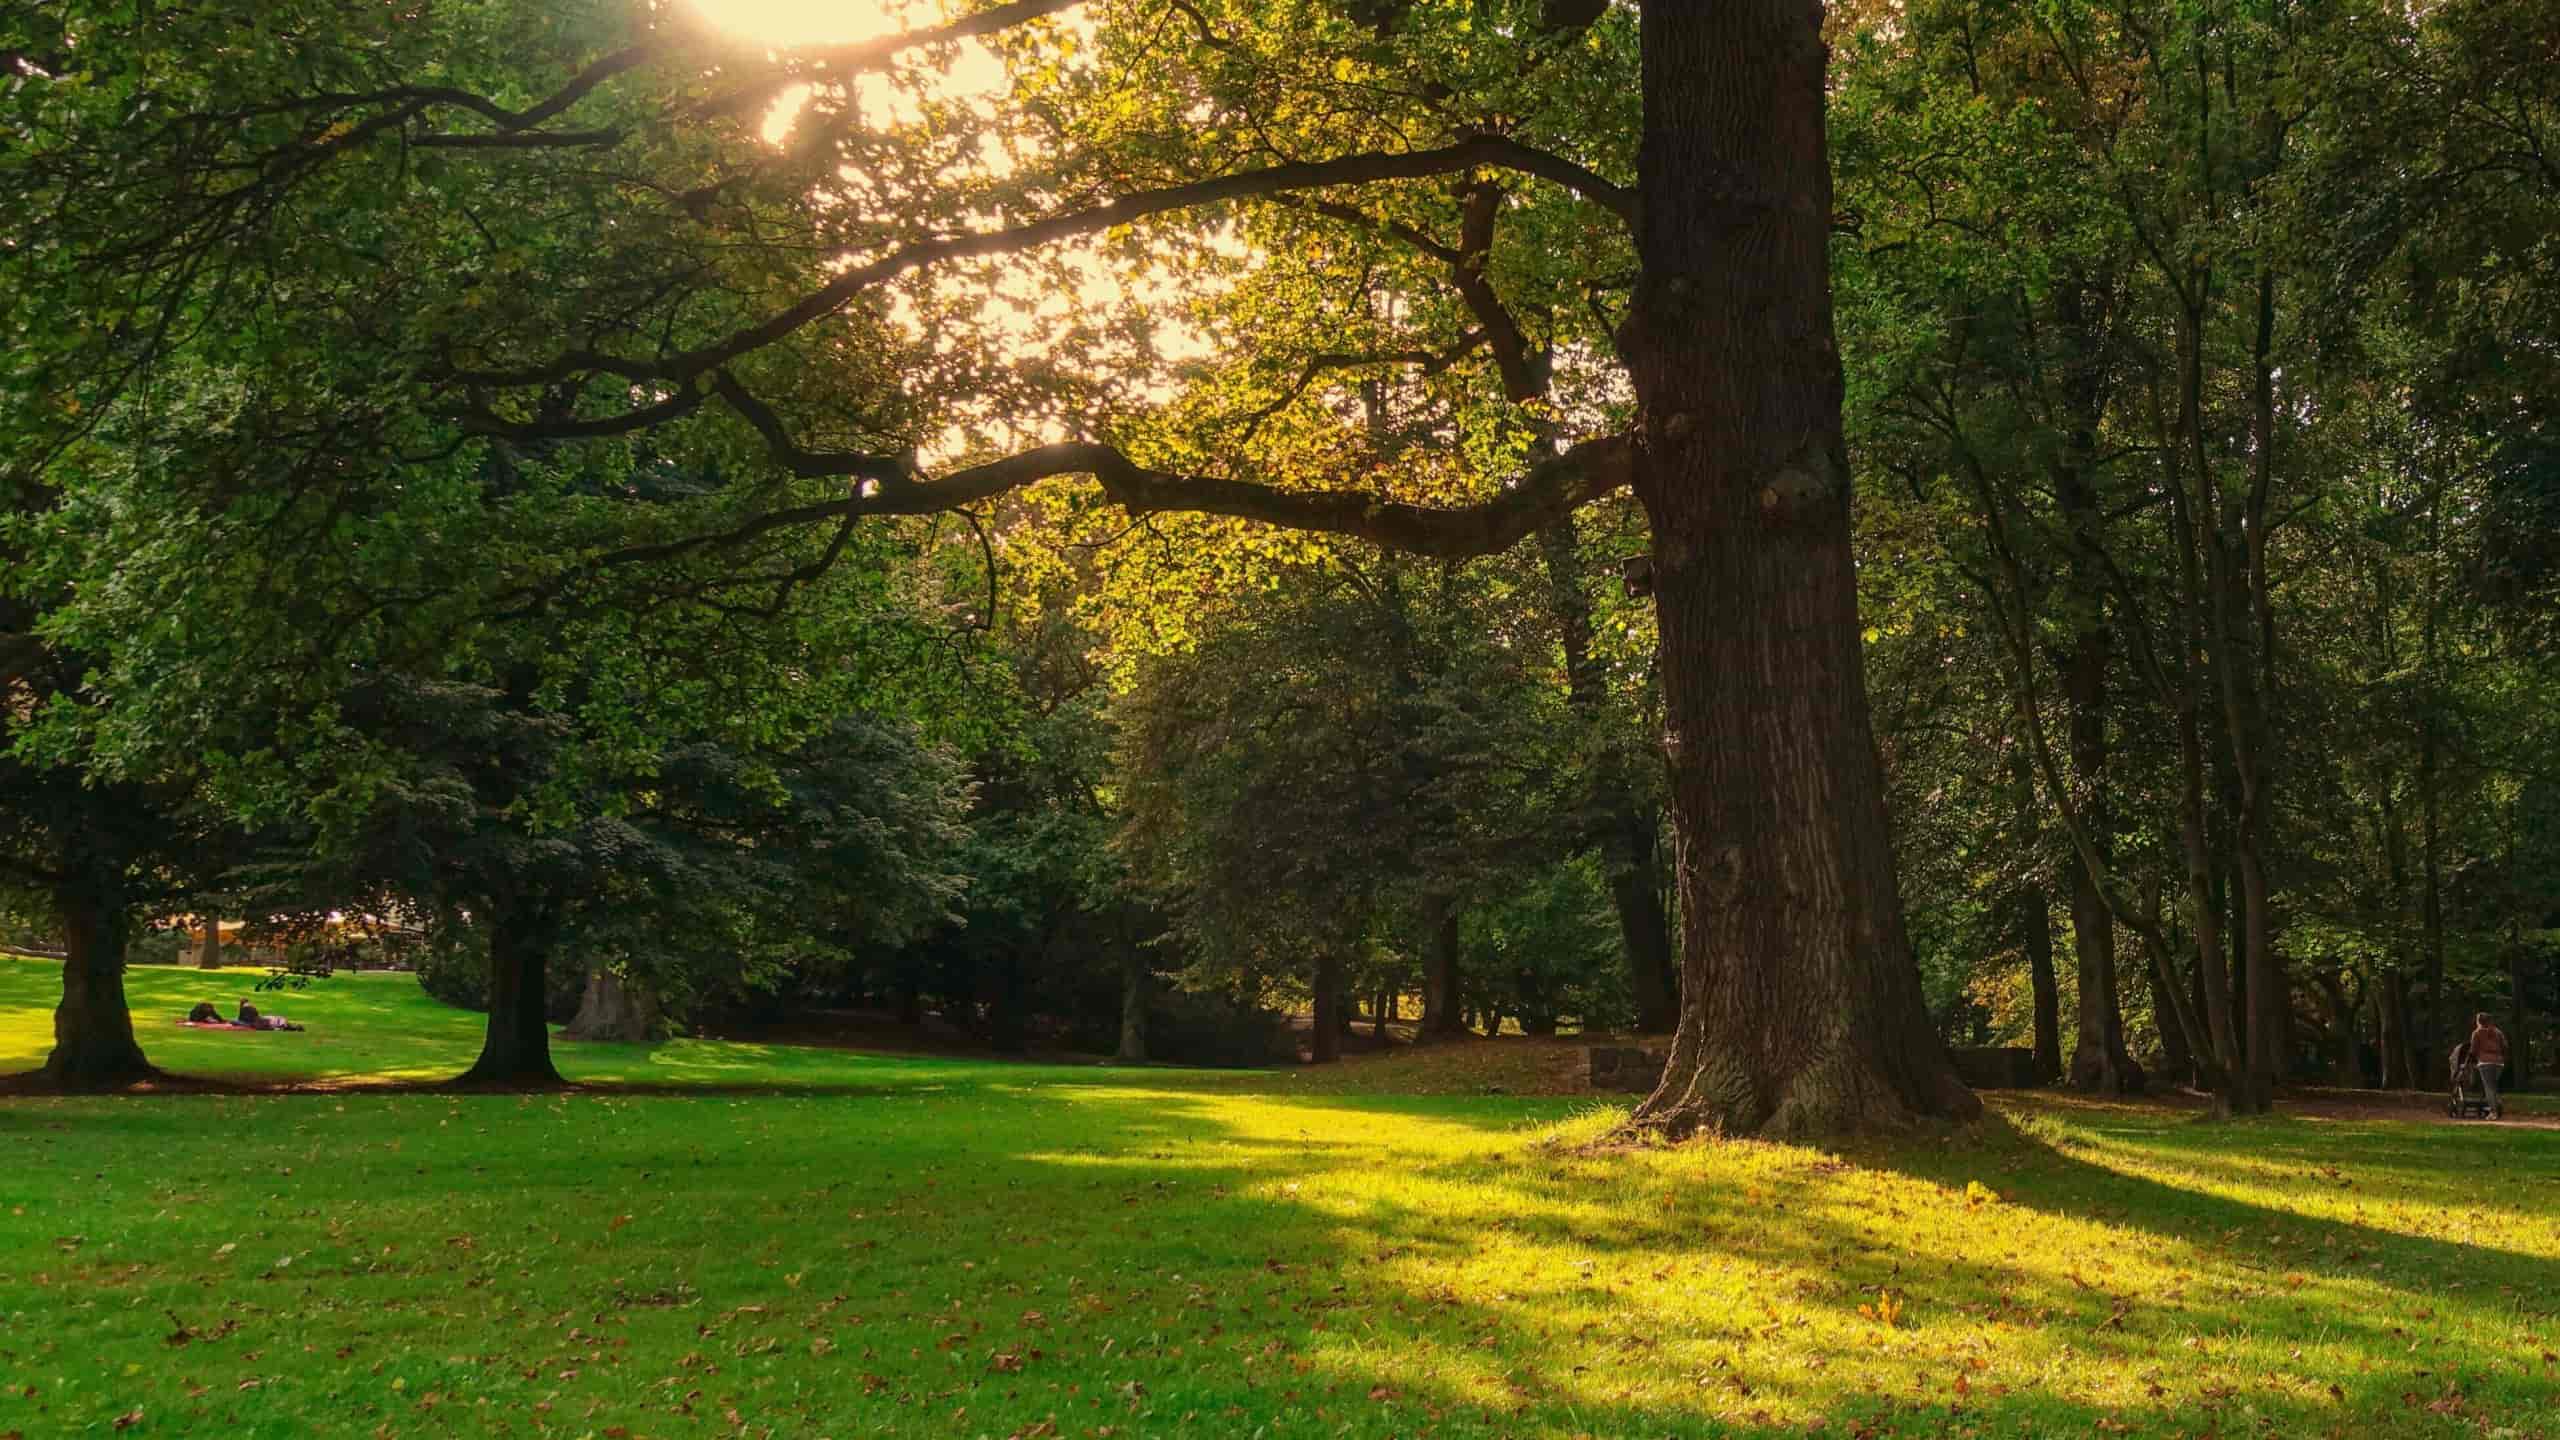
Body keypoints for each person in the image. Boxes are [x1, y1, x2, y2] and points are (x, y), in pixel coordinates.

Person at [2468, 1012, 2509, 1120]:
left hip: (2485, 1062)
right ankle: (2497, 1103)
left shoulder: (2476, 1033)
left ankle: (2493, 1112)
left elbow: (2472, 1050)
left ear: (2479, 1021)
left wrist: (2475, 1059)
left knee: (2489, 1088)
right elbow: (2505, 1045)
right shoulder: (2498, 1031)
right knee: (2494, 1086)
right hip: (2499, 1063)